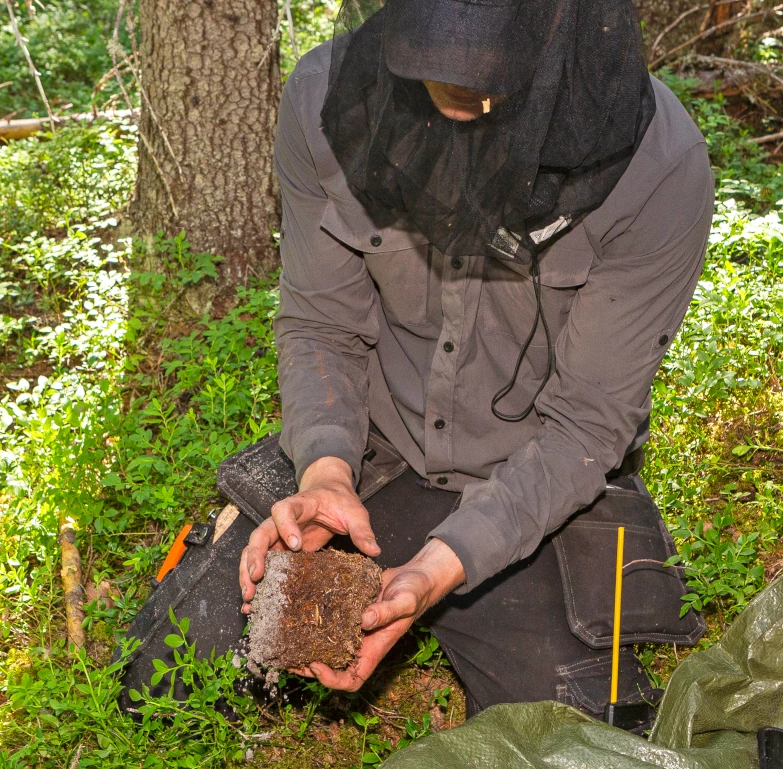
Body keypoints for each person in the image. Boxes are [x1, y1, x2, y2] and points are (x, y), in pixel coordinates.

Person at [120, 0, 712, 721]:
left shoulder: (657, 163)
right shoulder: (323, 102)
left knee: (576, 759)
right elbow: (322, 325)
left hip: (533, 491)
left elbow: (586, 426)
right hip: (378, 453)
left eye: (486, 77)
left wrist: (435, 570)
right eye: (435, 70)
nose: (463, 104)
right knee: (159, 683)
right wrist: (326, 471)